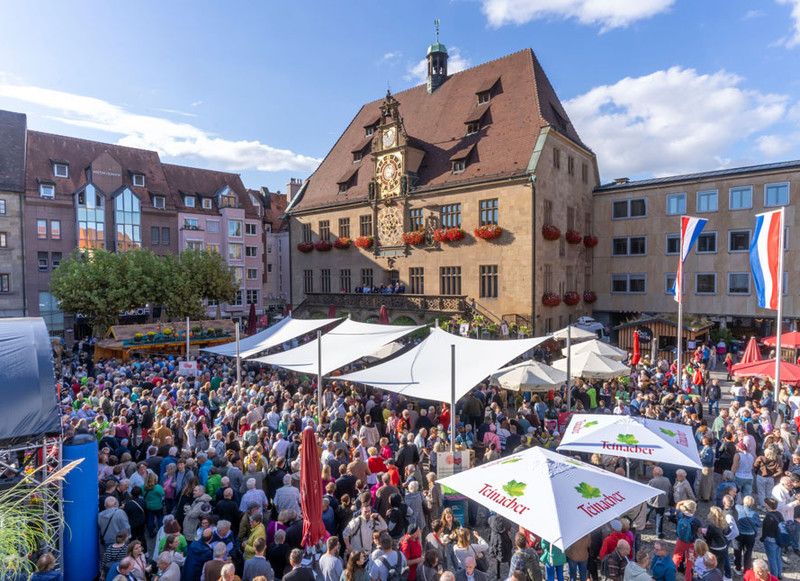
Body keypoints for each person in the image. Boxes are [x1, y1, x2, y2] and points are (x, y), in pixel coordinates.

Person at [734, 496, 760, 575]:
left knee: (737, 551)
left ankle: (738, 568)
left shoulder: (737, 508)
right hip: (750, 536)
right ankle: (747, 570)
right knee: (748, 553)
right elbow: (758, 524)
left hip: (739, 534)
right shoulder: (754, 514)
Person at [760, 498, 784, 579]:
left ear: (768, 506)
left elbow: (765, 530)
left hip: (771, 540)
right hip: (779, 539)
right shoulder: (780, 514)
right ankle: (779, 574)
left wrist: (762, 539)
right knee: (778, 557)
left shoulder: (768, 517)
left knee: (772, 560)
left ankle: (774, 577)